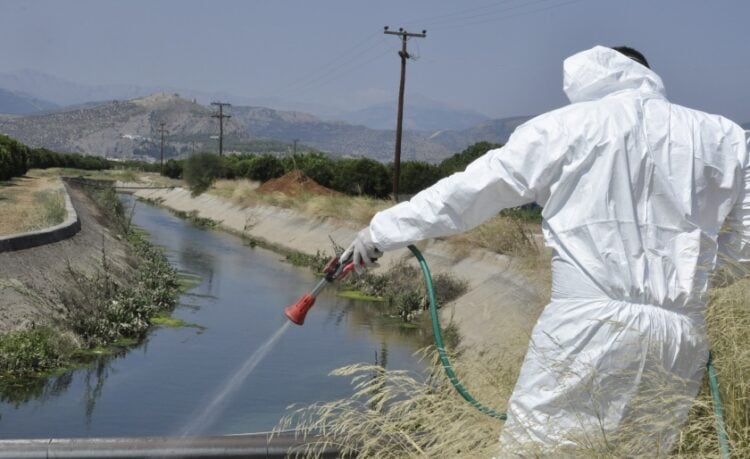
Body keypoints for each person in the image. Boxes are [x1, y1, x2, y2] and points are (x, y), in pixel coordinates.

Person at [341, 45, 750, 455]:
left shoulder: (566, 126)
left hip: (586, 324)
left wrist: (381, 231)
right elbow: (743, 245)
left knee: (538, 447)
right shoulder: (725, 137)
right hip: (679, 334)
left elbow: (469, 193)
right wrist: (685, 286)